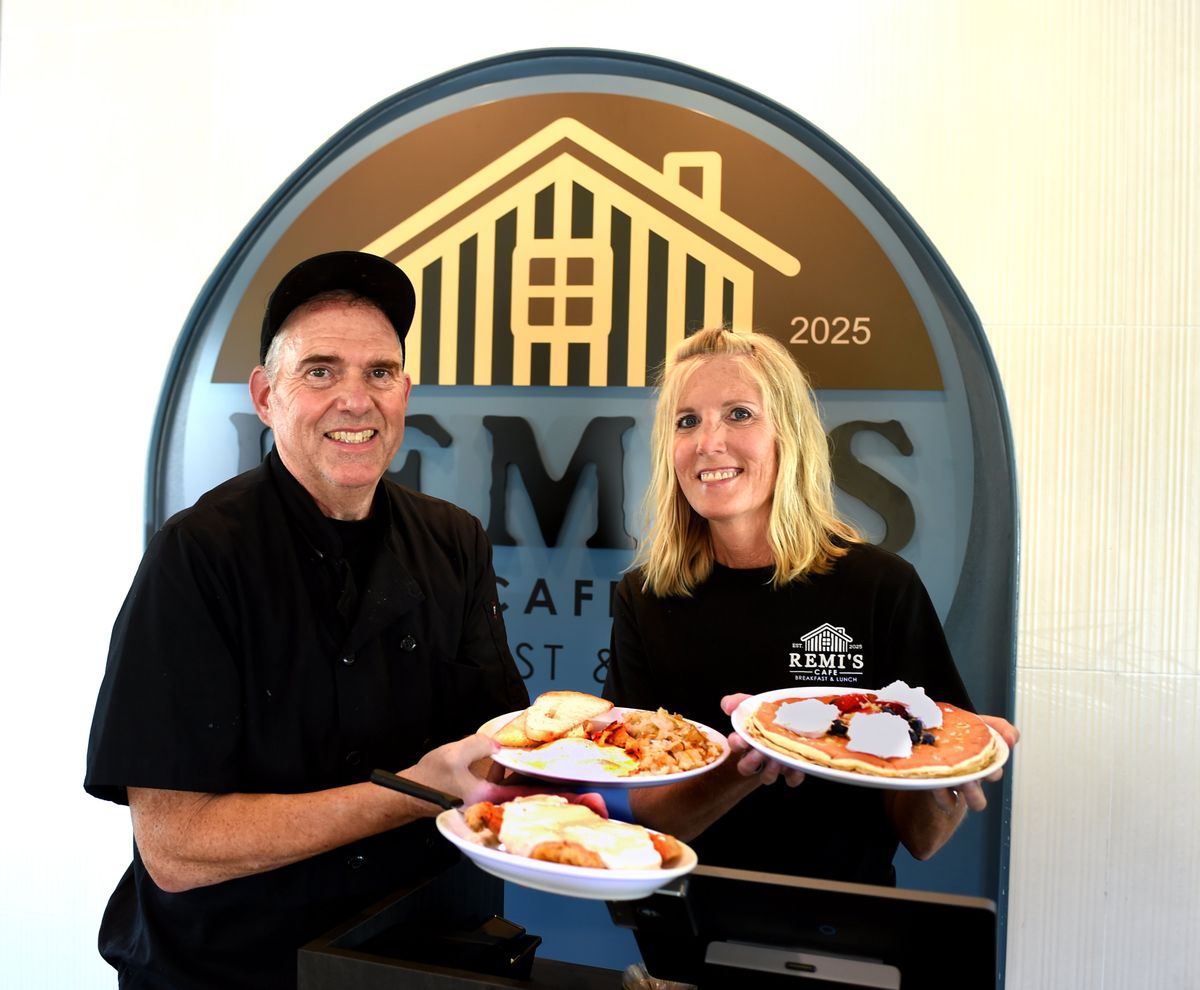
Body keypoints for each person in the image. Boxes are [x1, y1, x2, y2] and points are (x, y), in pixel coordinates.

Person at [85, 252, 537, 989]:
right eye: (320, 371)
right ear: (266, 396)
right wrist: (413, 790)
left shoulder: (455, 539)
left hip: (419, 951)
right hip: (231, 968)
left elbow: (495, 748)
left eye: (379, 373)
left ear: (405, 393)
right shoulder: (198, 558)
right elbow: (175, 847)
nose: (354, 399)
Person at [602, 327, 1018, 885]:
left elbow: (924, 839)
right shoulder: (645, 597)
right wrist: (749, 762)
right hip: (686, 927)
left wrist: (944, 784)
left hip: (840, 931)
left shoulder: (880, 587)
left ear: (789, 436)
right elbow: (640, 818)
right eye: (687, 421)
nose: (709, 442)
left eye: (740, 414)